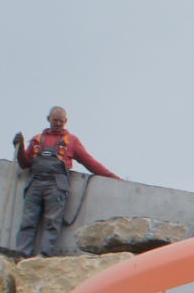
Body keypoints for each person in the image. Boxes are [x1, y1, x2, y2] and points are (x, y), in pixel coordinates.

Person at [12, 107, 118, 256]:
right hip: (35, 183)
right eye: (55, 120)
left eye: (61, 121)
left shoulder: (71, 141)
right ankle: (22, 254)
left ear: (66, 121)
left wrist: (112, 178)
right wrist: (20, 147)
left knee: (52, 222)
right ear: (48, 119)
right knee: (28, 221)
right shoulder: (37, 140)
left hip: (56, 186)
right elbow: (24, 164)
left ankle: (43, 256)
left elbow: (89, 162)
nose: (58, 124)